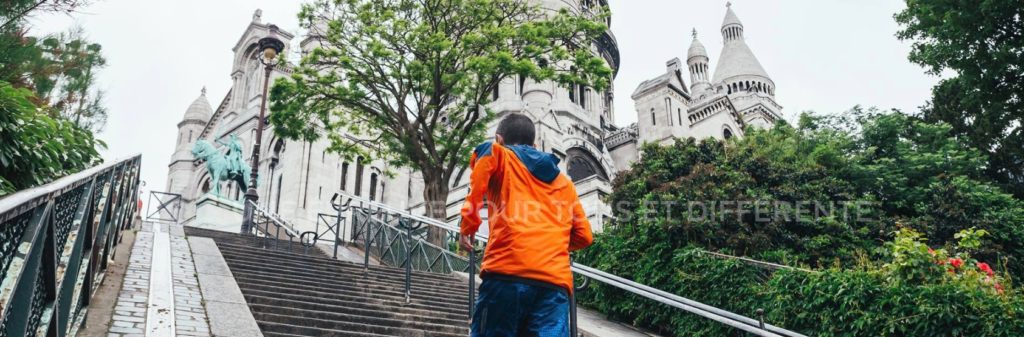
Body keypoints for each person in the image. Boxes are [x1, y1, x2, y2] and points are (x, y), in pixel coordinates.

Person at [460, 113, 594, 337]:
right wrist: (548, 242)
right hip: (553, 286)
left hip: (506, 274)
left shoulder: (499, 154)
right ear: (535, 145)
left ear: (499, 139)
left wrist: (468, 226)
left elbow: (485, 153)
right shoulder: (565, 183)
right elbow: (584, 236)